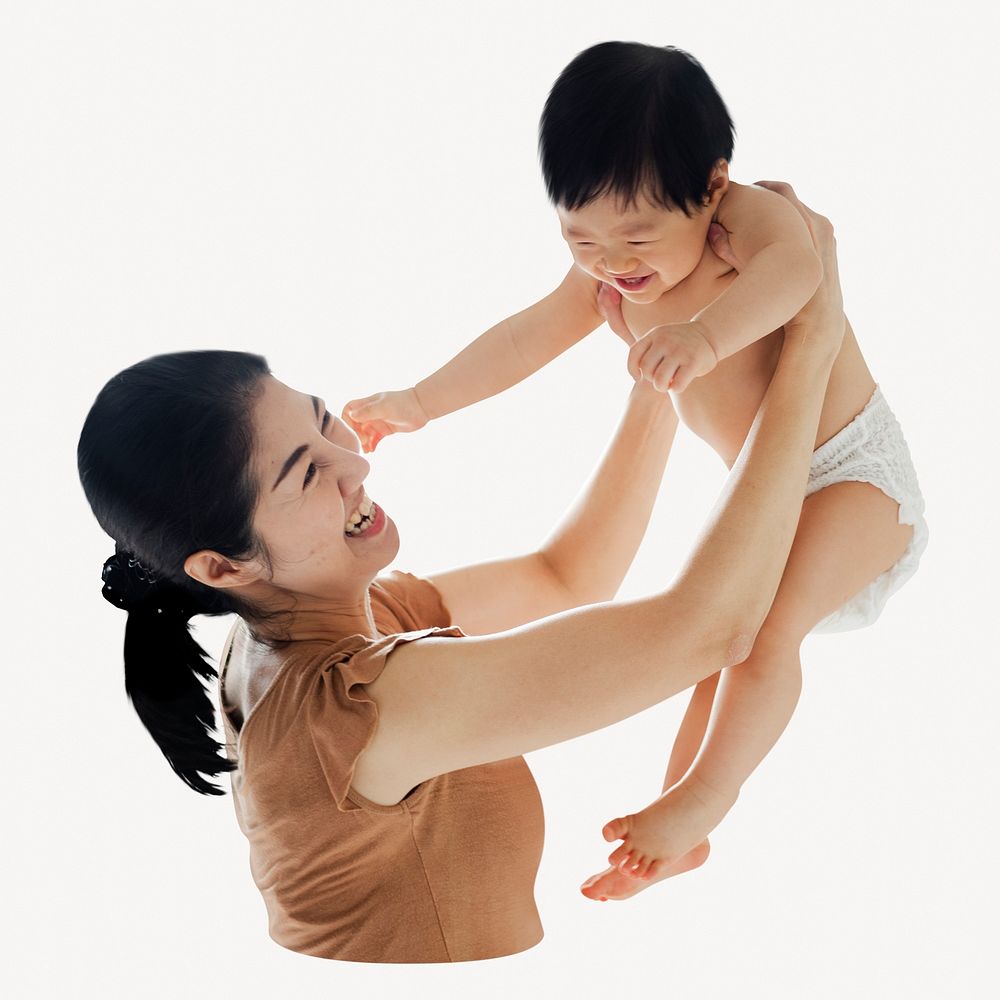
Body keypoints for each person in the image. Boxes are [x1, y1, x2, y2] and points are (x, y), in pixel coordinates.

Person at [79, 185, 841, 963]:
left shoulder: (323, 620)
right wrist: (812, 342)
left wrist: (658, 380)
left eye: (319, 419)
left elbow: (566, 576)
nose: (356, 460)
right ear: (221, 564)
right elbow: (712, 629)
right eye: (308, 473)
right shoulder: (360, 705)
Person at [341, 42, 928, 876]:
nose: (612, 265)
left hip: (854, 476)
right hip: (770, 493)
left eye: (636, 238)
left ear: (713, 188)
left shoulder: (745, 224)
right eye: (580, 239)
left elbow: (799, 270)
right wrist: (420, 402)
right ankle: (678, 814)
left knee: (762, 636)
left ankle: (706, 799)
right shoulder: (610, 280)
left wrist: (707, 334)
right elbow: (522, 339)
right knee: (716, 645)